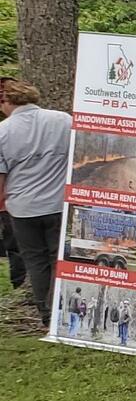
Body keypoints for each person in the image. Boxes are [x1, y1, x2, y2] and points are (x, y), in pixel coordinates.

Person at [0, 78, 73, 314]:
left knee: (34, 260)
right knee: (58, 259)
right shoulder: (63, 120)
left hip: (22, 208)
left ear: (9, 101)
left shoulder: (3, 130)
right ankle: (59, 306)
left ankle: (45, 311)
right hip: (58, 202)